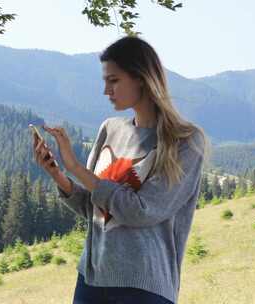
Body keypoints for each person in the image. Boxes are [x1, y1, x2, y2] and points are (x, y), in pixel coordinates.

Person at [32, 36, 211, 304]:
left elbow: (140, 211)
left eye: (113, 80)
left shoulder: (185, 142)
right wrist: (59, 175)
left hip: (144, 288)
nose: (106, 90)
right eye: (105, 81)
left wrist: (76, 168)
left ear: (141, 78)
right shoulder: (110, 129)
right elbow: (96, 208)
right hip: (91, 280)